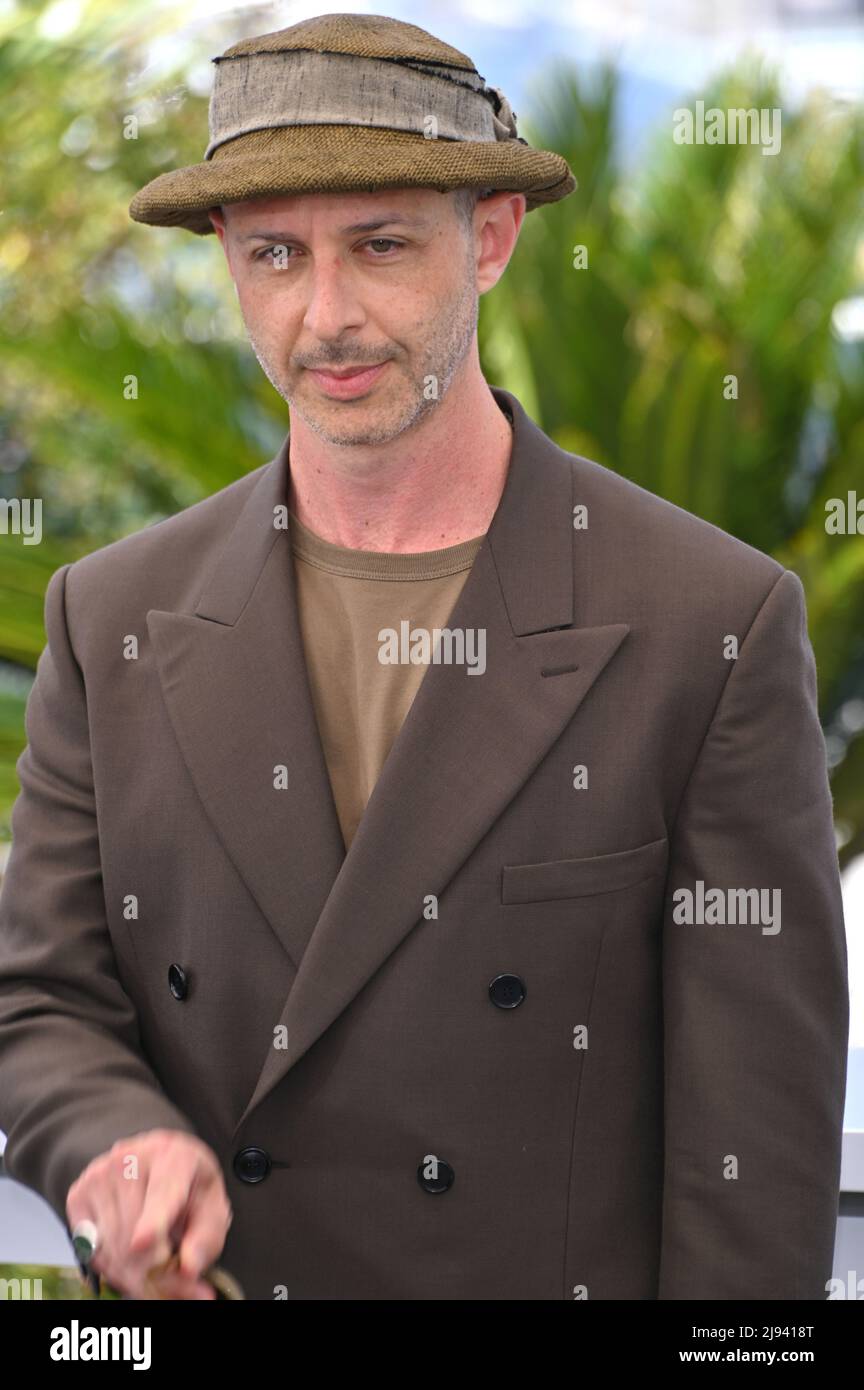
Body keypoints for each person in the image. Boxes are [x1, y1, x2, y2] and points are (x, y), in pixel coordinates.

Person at [0, 13, 848, 1301]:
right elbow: (40, 1000)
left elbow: (756, 1155)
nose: (325, 316)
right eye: (276, 255)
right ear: (227, 260)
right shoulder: (108, 616)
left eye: (381, 245)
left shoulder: (707, 624)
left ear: (491, 235)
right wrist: (121, 1141)